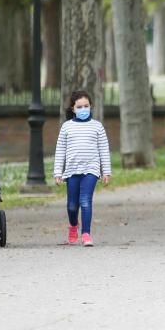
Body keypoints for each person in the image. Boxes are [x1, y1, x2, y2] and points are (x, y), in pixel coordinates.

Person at [53, 91, 112, 247]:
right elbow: (60, 151)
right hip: (72, 170)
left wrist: (106, 171)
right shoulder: (66, 127)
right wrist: (58, 172)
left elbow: (104, 149)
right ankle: (73, 225)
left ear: (90, 106)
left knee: (85, 201)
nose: (83, 109)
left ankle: (86, 234)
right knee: (72, 205)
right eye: (79, 107)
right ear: (73, 109)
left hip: (91, 170)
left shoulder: (97, 127)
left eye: (86, 106)